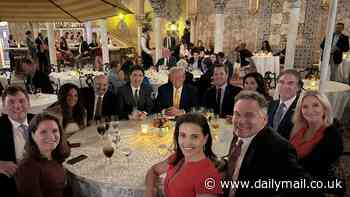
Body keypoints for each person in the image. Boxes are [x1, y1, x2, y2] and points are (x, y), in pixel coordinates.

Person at [223, 90, 310, 197]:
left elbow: (304, 185)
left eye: (249, 115)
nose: (240, 121)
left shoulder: (278, 148)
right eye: (237, 114)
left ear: (264, 119)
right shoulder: (240, 134)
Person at [145, 113, 222, 197]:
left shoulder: (208, 176)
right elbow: (153, 170)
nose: (187, 143)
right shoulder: (178, 157)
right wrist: (150, 190)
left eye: (194, 136)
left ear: (205, 139)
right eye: (183, 135)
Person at [289, 90, 344, 196]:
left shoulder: (332, 134)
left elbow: (317, 168)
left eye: (315, 105)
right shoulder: (298, 129)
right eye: (305, 107)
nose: (310, 110)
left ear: (324, 108)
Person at [15, 113, 71, 197]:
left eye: (55, 131)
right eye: (43, 132)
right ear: (33, 135)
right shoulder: (27, 167)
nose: (51, 136)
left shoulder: (55, 157)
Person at [0, 86, 34, 196]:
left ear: (28, 103)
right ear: (4, 107)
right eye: (11, 102)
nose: (17, 106)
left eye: (21, 101)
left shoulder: (40, 120)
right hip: (10, 185)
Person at [267, 69, 302, 139]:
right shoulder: (271, 104)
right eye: (281, 82)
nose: (285, 86)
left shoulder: (301, 107)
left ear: (298, 87)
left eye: (290, 83)